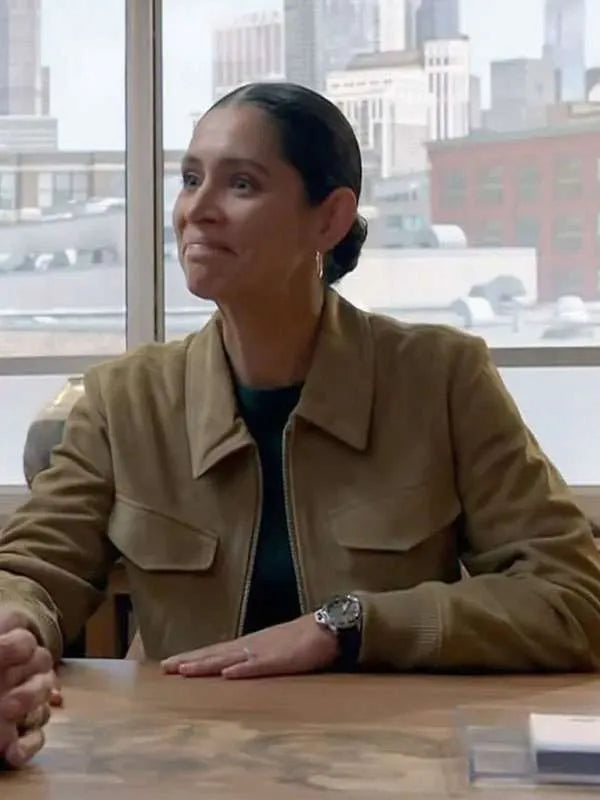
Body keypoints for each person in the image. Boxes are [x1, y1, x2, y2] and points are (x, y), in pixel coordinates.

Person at [1, 81, 600, 768]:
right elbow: (32, 570)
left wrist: (347, 626)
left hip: (390, 762)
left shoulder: (440, 379)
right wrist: (10, 636)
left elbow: (573, 600)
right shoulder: (125, 398)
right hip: (185, 761)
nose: (197, 209)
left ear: (330, 219)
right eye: (191, 179)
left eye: (242, 184)